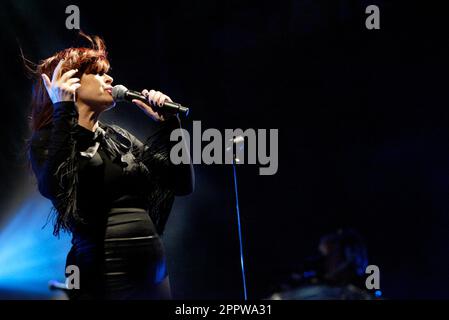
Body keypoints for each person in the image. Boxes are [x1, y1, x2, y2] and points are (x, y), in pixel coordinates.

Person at [27, 34, 194, 299]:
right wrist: (63, 109)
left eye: (108, 74)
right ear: (70, 83)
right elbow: (56, 186)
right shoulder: (48, 139)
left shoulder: (118, 137)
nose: (110, 80)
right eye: (97, 73)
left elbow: (182, 184)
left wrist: (171, 125)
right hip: (103, 268)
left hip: (152, 268)